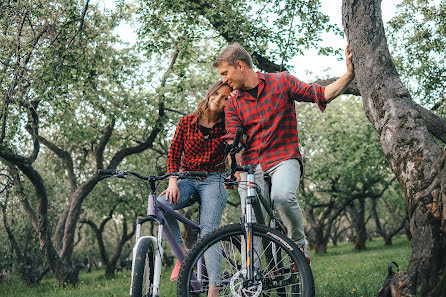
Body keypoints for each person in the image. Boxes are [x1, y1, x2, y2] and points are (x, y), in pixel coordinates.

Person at [214, 43, 355, 263]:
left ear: (240, 65)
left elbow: (321, 94)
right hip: (252, 165)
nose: (223, 80)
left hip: (284, 157)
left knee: (282, 196)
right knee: (251, 219)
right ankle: (258, 273)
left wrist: (349, 74)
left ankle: (298, 245)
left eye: (225, 73)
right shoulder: (234, 103)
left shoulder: (281, 81)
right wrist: (237, 170)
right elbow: (234, 139)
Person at [157, 80, 232, 297]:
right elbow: (173, 155)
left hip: (214, 180)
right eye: (217, 94)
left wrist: (234, 171)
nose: (219, 100)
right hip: (187, 179)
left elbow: (235, 148)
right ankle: (182, 252)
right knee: (161, 204)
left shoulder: (228, 124)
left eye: (226, 98)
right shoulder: (186, 123)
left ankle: (213, 289)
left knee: (208, 231)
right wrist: (173, 181)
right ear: (210, 94)